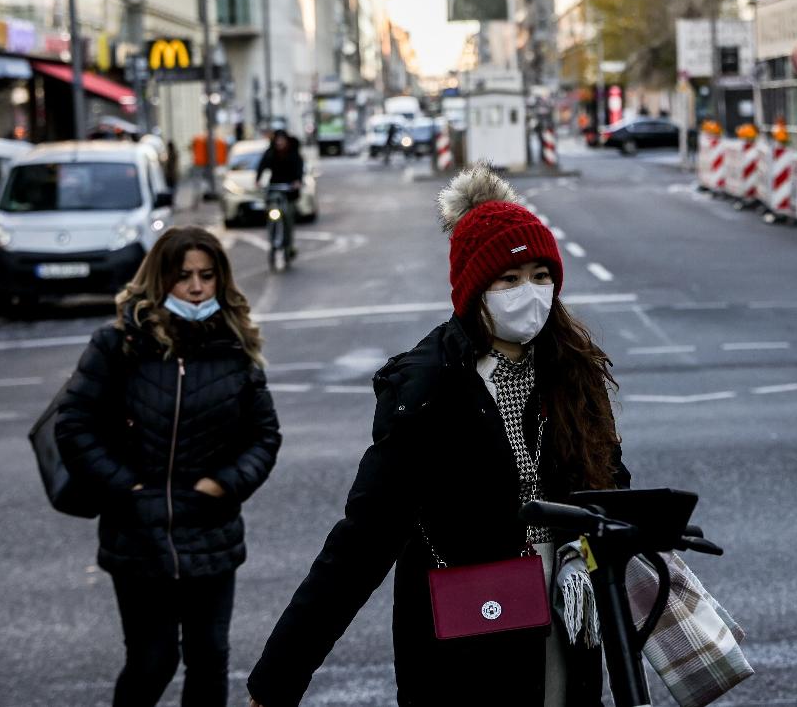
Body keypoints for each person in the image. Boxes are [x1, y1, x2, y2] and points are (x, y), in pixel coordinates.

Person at [246, 163, 631, 707]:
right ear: (474, 291)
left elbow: (608, 484)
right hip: (469, 634)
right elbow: (364, 538)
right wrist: (279, 674)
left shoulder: (571, 369)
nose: (531, 294)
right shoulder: (428, 387)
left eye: (542, 276)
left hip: (568, 608)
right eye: (510, 279)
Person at [56, 225, 282, 707]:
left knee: (209, 658)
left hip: (211, 529)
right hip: (138, 532)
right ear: (160, 280)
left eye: (206, 276)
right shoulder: (117, 345)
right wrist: (129, 490)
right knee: (151, 661)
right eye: (183, 277)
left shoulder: (235, 347)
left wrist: (223, 484)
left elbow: (264, 437)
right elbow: (73, 427)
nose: (197, 288)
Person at [256, 130, 304, 256]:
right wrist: (258, 180)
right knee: (271, 211)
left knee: (288, 215)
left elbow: (299, 169)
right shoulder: (270, 153)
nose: (279, 142)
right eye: (277, 139)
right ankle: (272, 235)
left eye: (282, 139)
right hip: (274, 188)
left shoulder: (293, 154)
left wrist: (297, 182)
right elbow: (262, 166)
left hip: (288, 191)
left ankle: (289, 246)